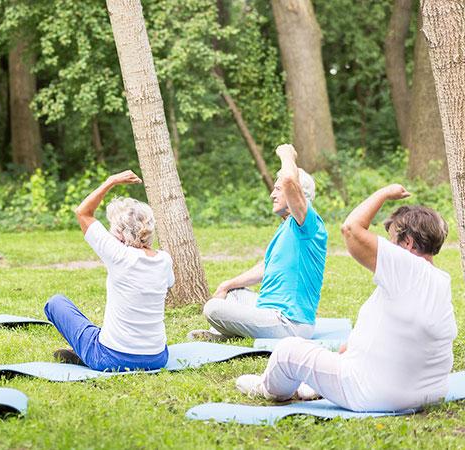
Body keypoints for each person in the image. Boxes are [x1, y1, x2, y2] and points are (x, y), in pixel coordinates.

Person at [236, 185, 456, 411]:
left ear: (407, 242)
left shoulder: (406, 265)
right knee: (342, 352)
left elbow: (351, 229)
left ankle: (269, 388)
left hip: (375, 394)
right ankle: (316, 386)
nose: (388, 246)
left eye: (392, 240)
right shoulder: (440, 280)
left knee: (287, 351)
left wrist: (384, 193)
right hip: (430, 394)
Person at [188, 144, 327, 341]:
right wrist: (227, 284)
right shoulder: (287, 227)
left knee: (213, 308)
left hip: (288, 323)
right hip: (267, 310)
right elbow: (267, 267)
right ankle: (224, 334)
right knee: (233, 293)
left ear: (296, 194)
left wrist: (288, 155)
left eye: (278, 189)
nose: (272, 195)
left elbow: (289, 180)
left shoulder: (308, 224)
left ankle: (226, 335)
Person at [44, 170, 173, 371]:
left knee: (55, 303)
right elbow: (168, 284)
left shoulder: (118, 254)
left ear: (120, 234)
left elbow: (83, 212)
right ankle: (90, 347)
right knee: (99, 331)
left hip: (111, 359)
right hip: (157, 358)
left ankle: (87, 354)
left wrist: (111, 181)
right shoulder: (164, 260)